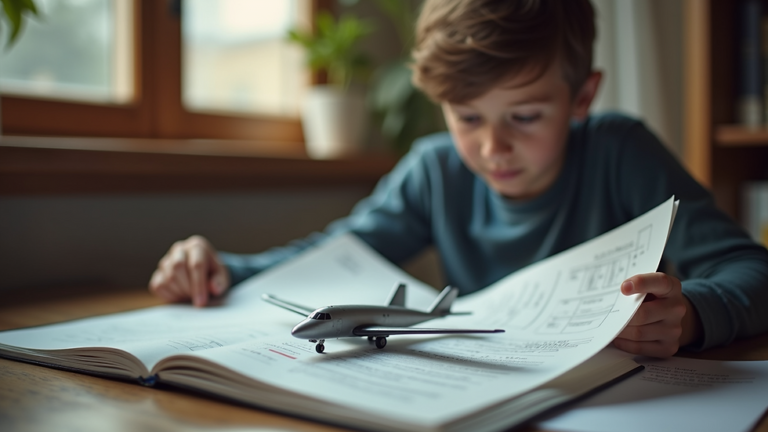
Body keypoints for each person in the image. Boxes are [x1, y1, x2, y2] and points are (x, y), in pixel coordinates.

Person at [148, 0, 768, 358]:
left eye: (525, 117)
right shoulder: (434, 168)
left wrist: (691, 314)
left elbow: (754, 270)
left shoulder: (620, 152)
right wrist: (226, 267)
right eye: (467, 117)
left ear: (582, 96)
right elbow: (333, 257)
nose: (493, 146)